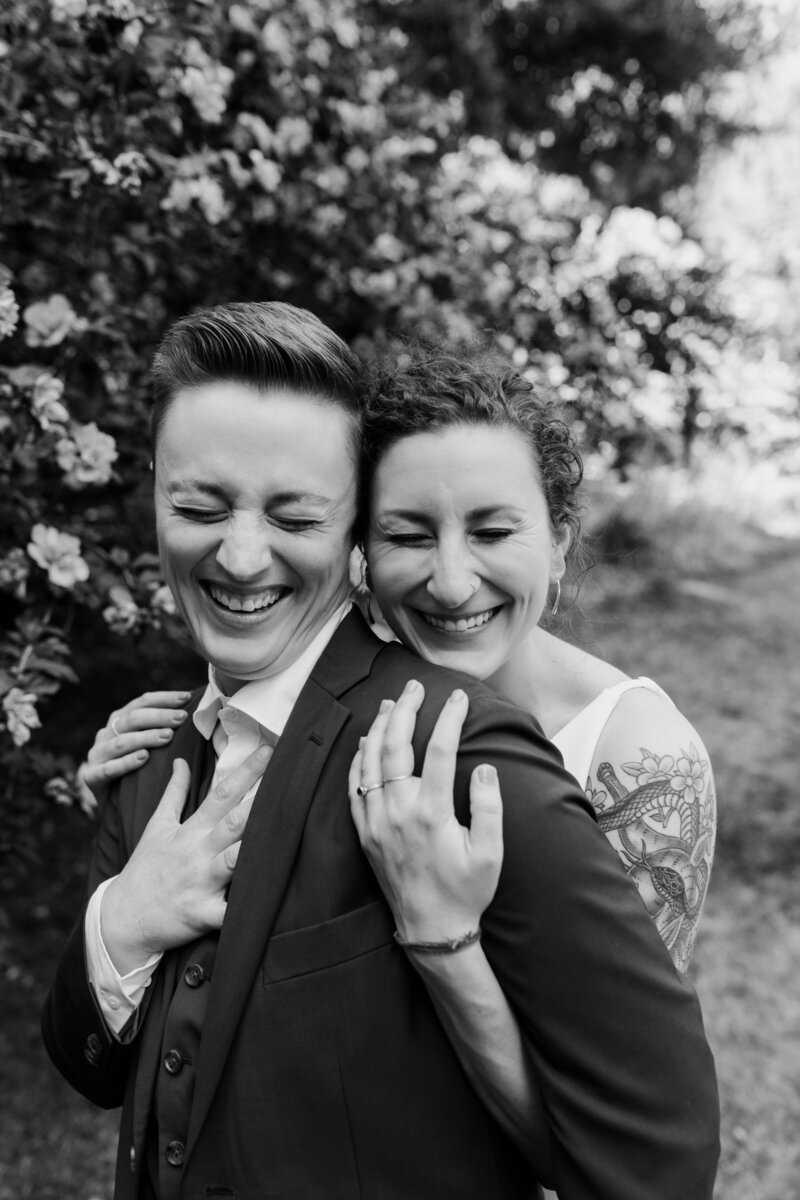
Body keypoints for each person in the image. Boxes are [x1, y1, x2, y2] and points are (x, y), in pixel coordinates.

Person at [46, 303, 720, 1200]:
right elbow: (95, 1066)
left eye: (295, 517)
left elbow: (645, 1153)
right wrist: (121, 923)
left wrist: (444, 941)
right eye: (199, 507)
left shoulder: (487, 751)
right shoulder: (161, 742)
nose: (241, 557)